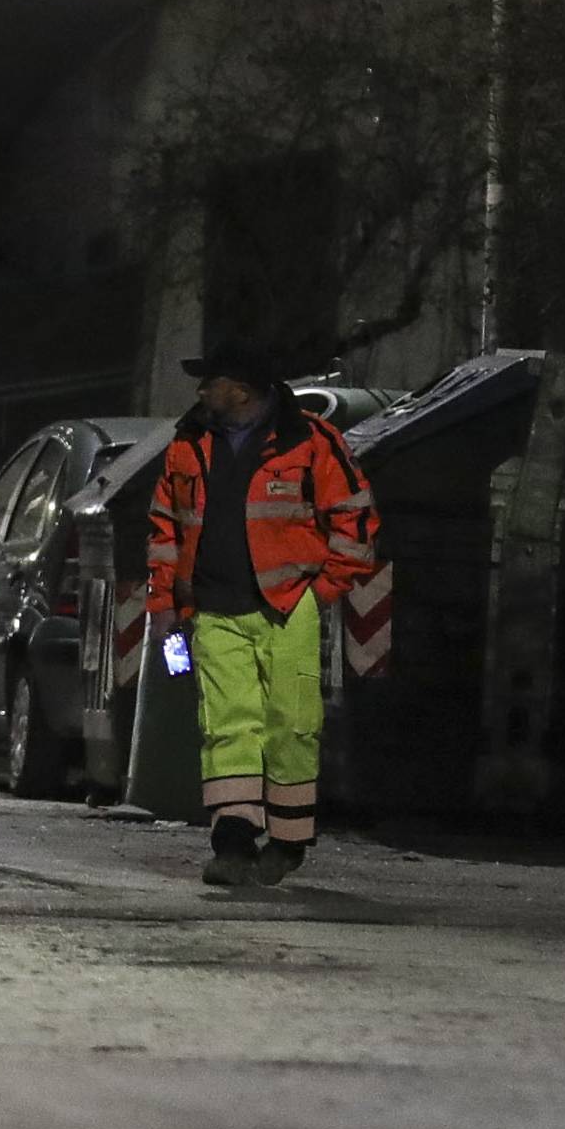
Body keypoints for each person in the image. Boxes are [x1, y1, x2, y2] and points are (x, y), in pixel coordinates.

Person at [146, 336, 379, 889]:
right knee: (228, 727)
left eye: (211, 381)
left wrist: (321, 592)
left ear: (242, 391)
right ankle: (232, 842)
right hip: (214, 611)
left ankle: (288, 841)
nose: (202, 390)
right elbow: (165, 528)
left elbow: (356, 520)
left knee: (292, 726)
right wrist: (166, 605)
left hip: (288, 608)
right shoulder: (189, 444)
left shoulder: (313, 443)